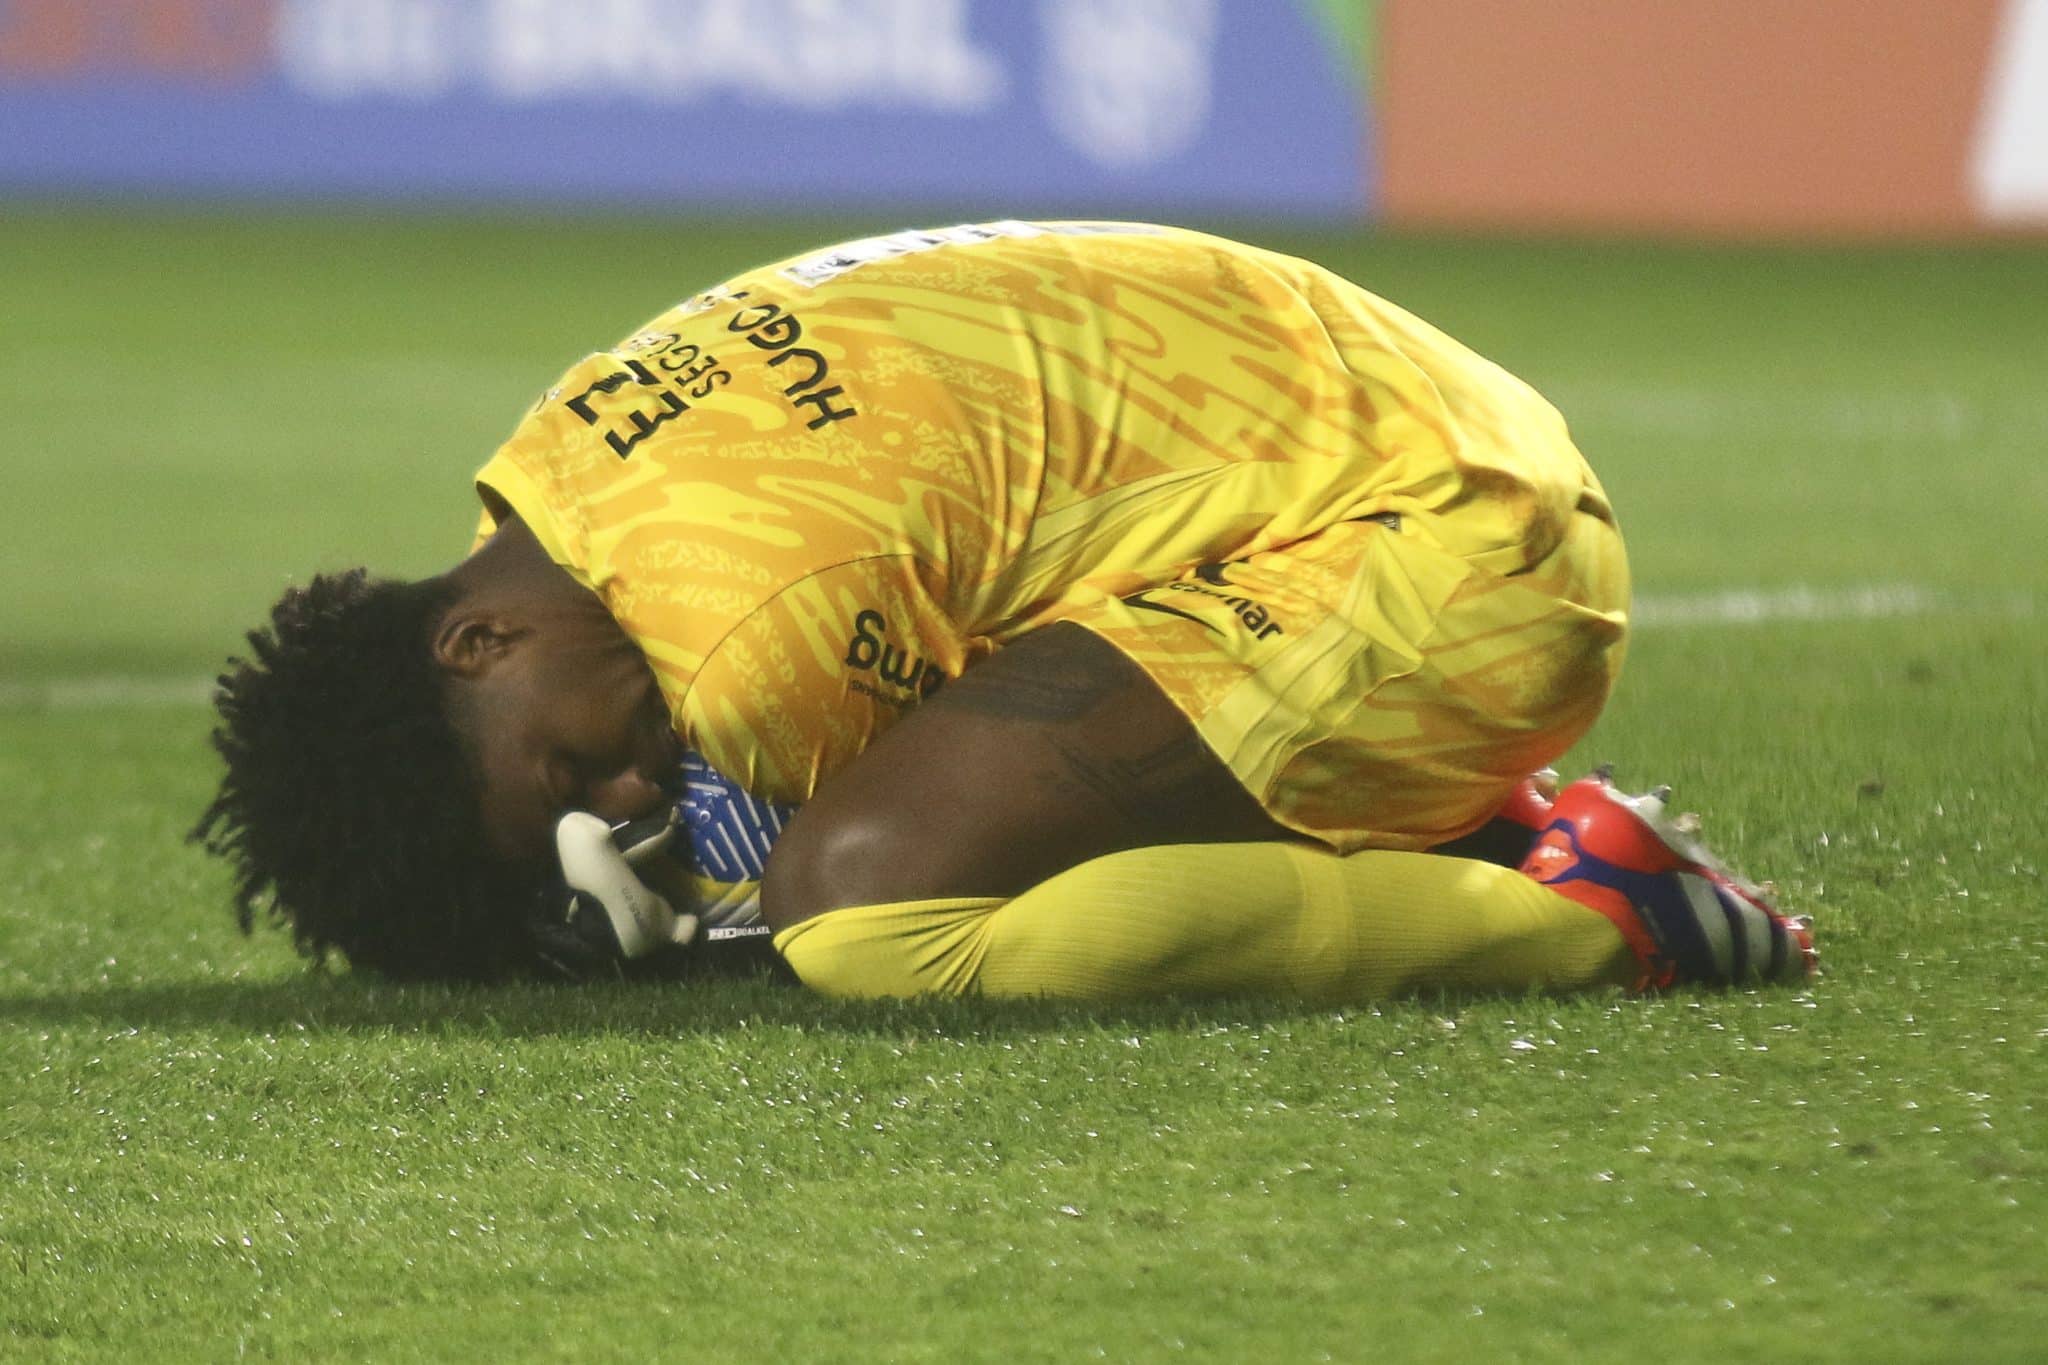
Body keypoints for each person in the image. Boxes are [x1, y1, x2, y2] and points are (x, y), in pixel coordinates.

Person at [193, 220, 1813, 997]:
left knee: (875, 911)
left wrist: (682, 922)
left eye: (569, 781)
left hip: (1457, 554)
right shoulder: (560, 456)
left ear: (473, 644)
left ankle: (1598, 918)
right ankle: (1468, 819)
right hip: (1392, 443)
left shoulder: (742, 639)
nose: (631, 796)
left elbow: (812, 870)